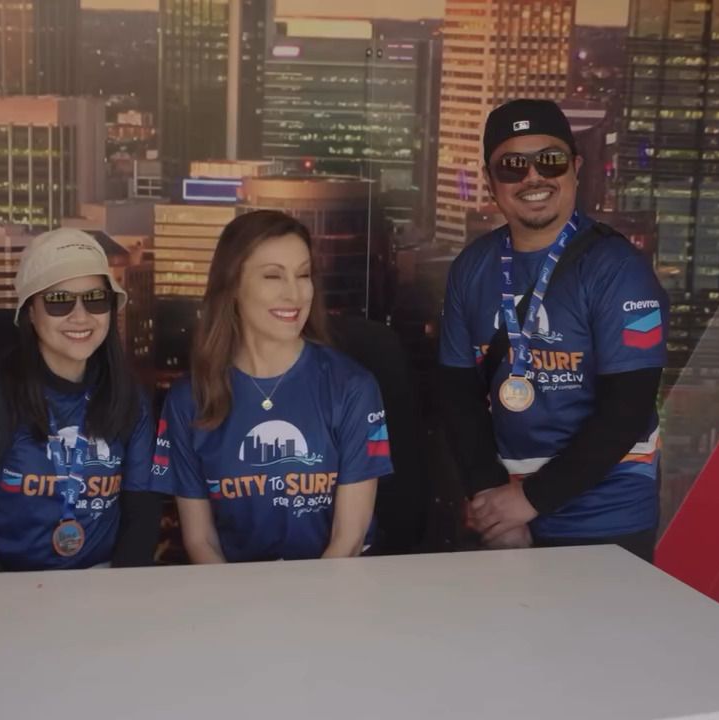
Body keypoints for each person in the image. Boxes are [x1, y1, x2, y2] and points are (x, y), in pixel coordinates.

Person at [438, 99, 669, 561]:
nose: (533, 177)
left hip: (607, 519)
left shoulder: (619, 269)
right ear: (490, 181)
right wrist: (495, 505)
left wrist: (529, 501)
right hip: (505, 512)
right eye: (512, 166)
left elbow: (627, 409)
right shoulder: (471, 268)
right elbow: (458, 397)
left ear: (575, 168)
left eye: (550, 160)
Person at [151, 210, 393, 563]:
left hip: (335, 586)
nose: (294, 293)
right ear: (233, 287)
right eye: (273, 276)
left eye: (303, 275)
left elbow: (349, 539)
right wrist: (238, 599)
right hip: (234, 590)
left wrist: (309, 599)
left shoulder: (352, 387)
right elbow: (201, 541)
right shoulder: (188, 399)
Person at [0, 229, 163, 572]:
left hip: (98, 579)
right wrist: (2, 600)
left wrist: (118, 595)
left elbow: (142, 515)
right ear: (30, 312)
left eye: (95, 299)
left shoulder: (129, 396)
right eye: (58, 301)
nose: (80, 316)